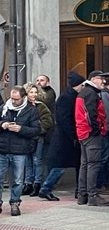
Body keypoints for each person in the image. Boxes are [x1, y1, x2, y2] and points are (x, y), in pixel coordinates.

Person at [38, 72, 84, 201]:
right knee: (61, 165)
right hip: (66, 137)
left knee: (69, 164)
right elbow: (64, 119)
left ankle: (78, 190)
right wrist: (74, 135)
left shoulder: (70, 95)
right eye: (82, 84)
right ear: (77, 85)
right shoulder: (67, 97)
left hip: (68, 136)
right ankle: (46, 188)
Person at [0, 86, 41, 216]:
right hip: (2, 149)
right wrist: (3, 125)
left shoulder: (31, 110)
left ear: (23, 98)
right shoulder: (3, 108)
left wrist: (21, 129)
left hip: (20, 150)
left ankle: (15, 203)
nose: (13, 101)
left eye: (16, 99)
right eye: (11, 98)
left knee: (17, 180)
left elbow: (36, 130)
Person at [75, 70, 109, 207]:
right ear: (94, 79)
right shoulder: (91, 93)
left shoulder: (84, 92)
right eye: (102, 79)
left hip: (83, 133)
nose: (104, 82)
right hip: (91, 134)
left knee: (85, 164)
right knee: (93, 165)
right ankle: (92, 196)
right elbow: (91, 114)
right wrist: (97, 130)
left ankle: (82, 195)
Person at [21, 83, 53, 197]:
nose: (33, 94)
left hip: (38, 137)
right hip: (25, 137)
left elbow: (48, 121)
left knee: (37, 160)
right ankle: (27, 184)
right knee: (28, 161)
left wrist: (38, 130)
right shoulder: (23, 106)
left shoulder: (41, 106)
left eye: (35, 92)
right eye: (31, 92)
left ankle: (37, 183)